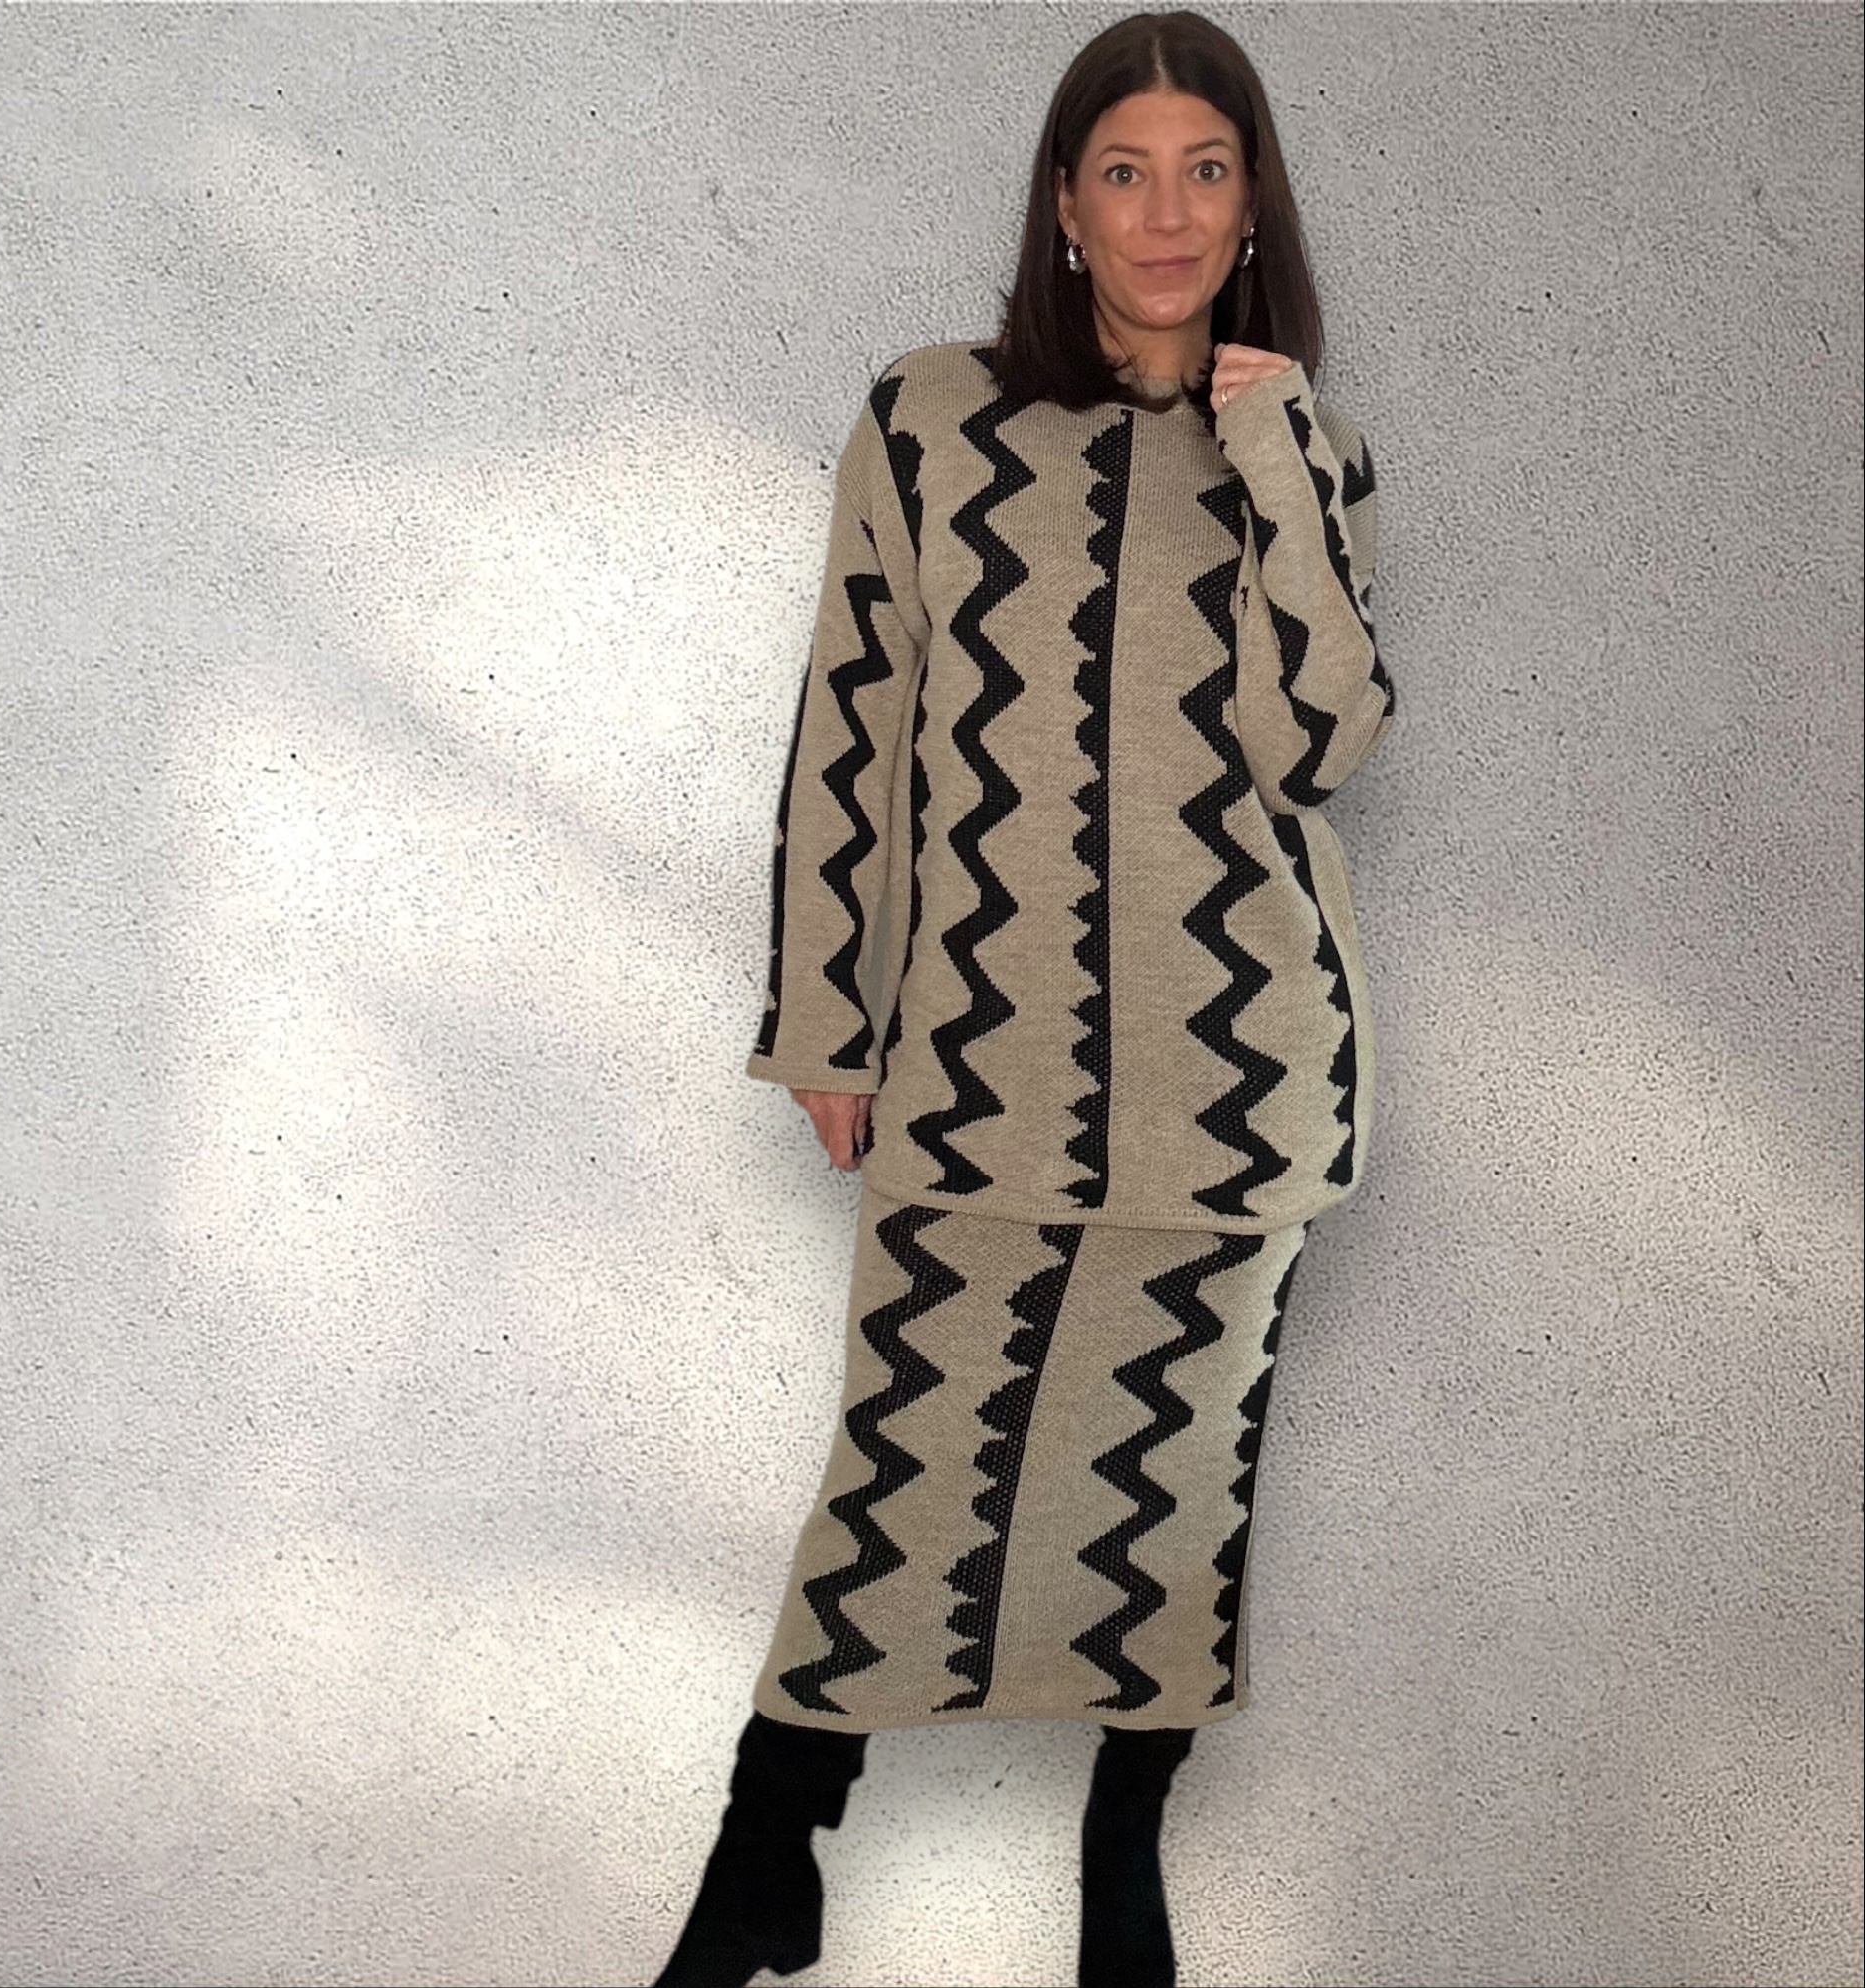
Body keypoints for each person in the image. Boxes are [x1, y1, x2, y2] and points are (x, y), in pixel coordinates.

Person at [653, 10, 1394, 1985]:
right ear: (1064, 204)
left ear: (1254, 205)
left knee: (1177, 1491)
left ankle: (1120, 1867)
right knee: (901, 1470)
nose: (1168, 212)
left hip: (1244, 1076)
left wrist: (1274, 449)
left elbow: (1326, 741)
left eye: (1207, 170)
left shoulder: (1303, 450)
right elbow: (849, 737)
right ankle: (767, 1853)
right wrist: (829, 1021)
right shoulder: (934, 420)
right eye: (1125, 171)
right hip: (982, 1059)